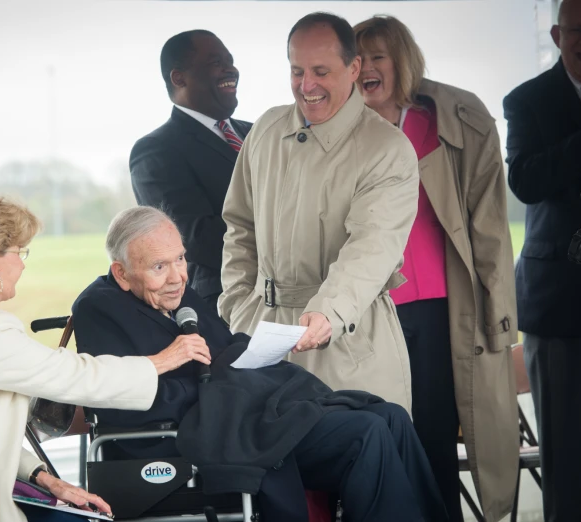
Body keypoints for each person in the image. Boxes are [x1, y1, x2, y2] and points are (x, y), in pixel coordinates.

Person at [73, 206, 448, 522]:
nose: (178, 278)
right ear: (121, 273)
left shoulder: (176, 292)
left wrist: (258, 351)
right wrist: (220, 379)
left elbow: (223, 346)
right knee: (366, 431)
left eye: (181, 259)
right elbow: (118, 398)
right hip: (200, 435)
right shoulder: (98, 309)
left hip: (250, 414)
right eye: (159, 267)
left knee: (391, 416)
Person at [0, 187, 210, 522]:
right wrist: (164, 359)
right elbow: (79, 376)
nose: (23, 265)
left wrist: (43, 477)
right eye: (19, 251)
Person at [351, 15, 519, 522]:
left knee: (434, 437)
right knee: (377, 434)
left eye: (380, 57)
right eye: (360, 59)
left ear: (402, 62)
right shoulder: (339, 132)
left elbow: (488, 225)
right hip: (366, 311)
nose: (369, 70)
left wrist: (499, 310)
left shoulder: (444, 122)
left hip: (440, 308)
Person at [219, 12, 417, 412]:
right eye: (297, 71)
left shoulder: (387, 149)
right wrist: (238, 305)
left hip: (348, 344)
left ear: (354, 68)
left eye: (321, 71)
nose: (306, 86)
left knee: (356, 468)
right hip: (261, 338)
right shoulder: (265, 131)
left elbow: (371, 249)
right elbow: (239, 226)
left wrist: (327, 313)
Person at [504, 0, 581, 519]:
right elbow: (526, 183)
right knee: (568, 454)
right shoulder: (528, 100)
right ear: (557, 35)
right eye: (579, 30)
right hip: (561, 306)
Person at [130, 30, 252, 310]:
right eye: (215, 62)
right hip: (225, 303)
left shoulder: (260, 133)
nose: (230, 69)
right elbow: (194, 239)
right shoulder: (156, 150)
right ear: (179, 78)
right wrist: (282, 239)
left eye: (230, 60)